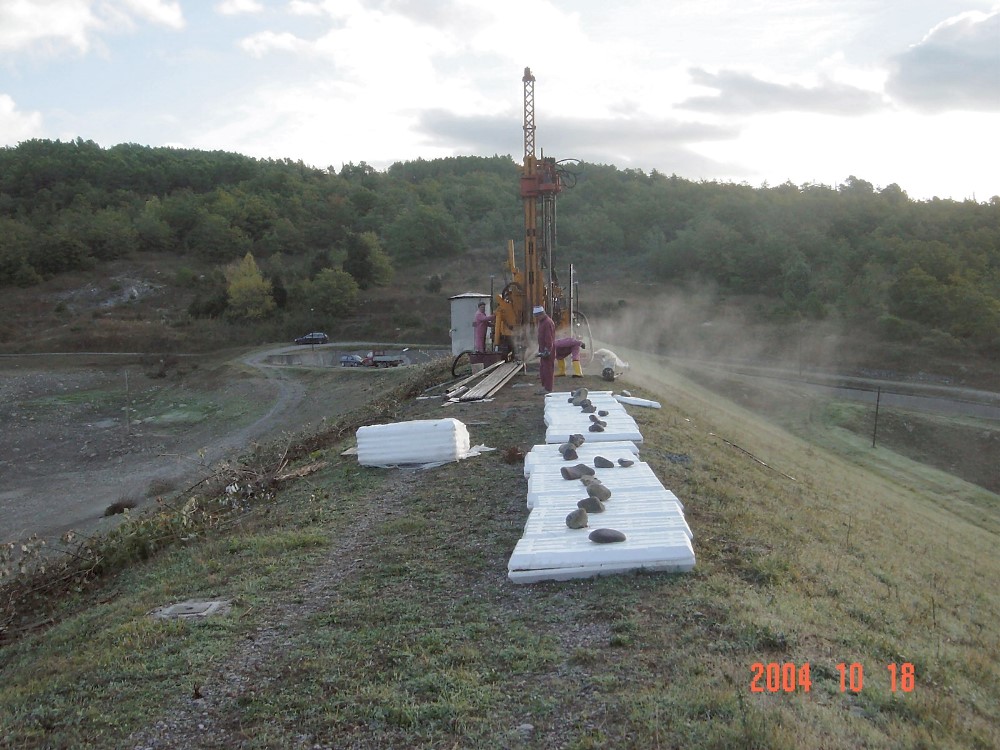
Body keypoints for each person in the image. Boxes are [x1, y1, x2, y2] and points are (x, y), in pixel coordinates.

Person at [534, 304, 556, 392]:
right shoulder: (543, 322)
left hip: (548, 350)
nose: (536, 318)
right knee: (543, 370)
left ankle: (548, 388)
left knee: (548, 370)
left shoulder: (547, 323)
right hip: (543, 349)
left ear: (541, 314)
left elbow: (549, 338)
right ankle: (545, 387)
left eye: (537, 316)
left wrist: (547, 350)